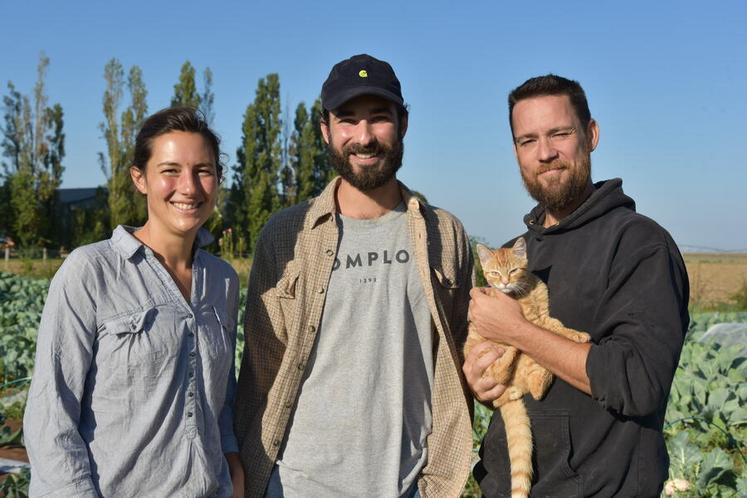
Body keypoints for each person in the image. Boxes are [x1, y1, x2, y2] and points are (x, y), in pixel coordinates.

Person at [233, 54, 473, 498]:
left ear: (403, 123)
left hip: (411, 486)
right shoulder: (286, 234)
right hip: (295, 485)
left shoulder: (445, 234)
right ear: (325, 129)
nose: (363, 138)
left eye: (378, 119)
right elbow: (260, 370)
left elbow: (458, 362)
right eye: (347, 121)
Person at [464, 75, 690, 497]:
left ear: (591, 135)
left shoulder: (639, 245)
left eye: (559, 134)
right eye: (527, 140)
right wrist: (483, 381)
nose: (545, 153)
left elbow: (639, 383)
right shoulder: (521, 253)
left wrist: (518, 332)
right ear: (516, 152)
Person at [24, 107, 245, 497]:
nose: (189, 187)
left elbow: (220, 402)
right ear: (140, 178)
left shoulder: (222, 279)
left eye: (203, 171)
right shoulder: (91, 271)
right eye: (171, 170)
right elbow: (51, 418)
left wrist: (234, 470)